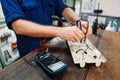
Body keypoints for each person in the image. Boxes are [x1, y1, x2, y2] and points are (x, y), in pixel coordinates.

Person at [1, 0, 92, 57]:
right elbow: (18, 26)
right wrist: (59, 31)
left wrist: (78, 20)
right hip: (30, 53)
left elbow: (62, 8)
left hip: (51, 47)